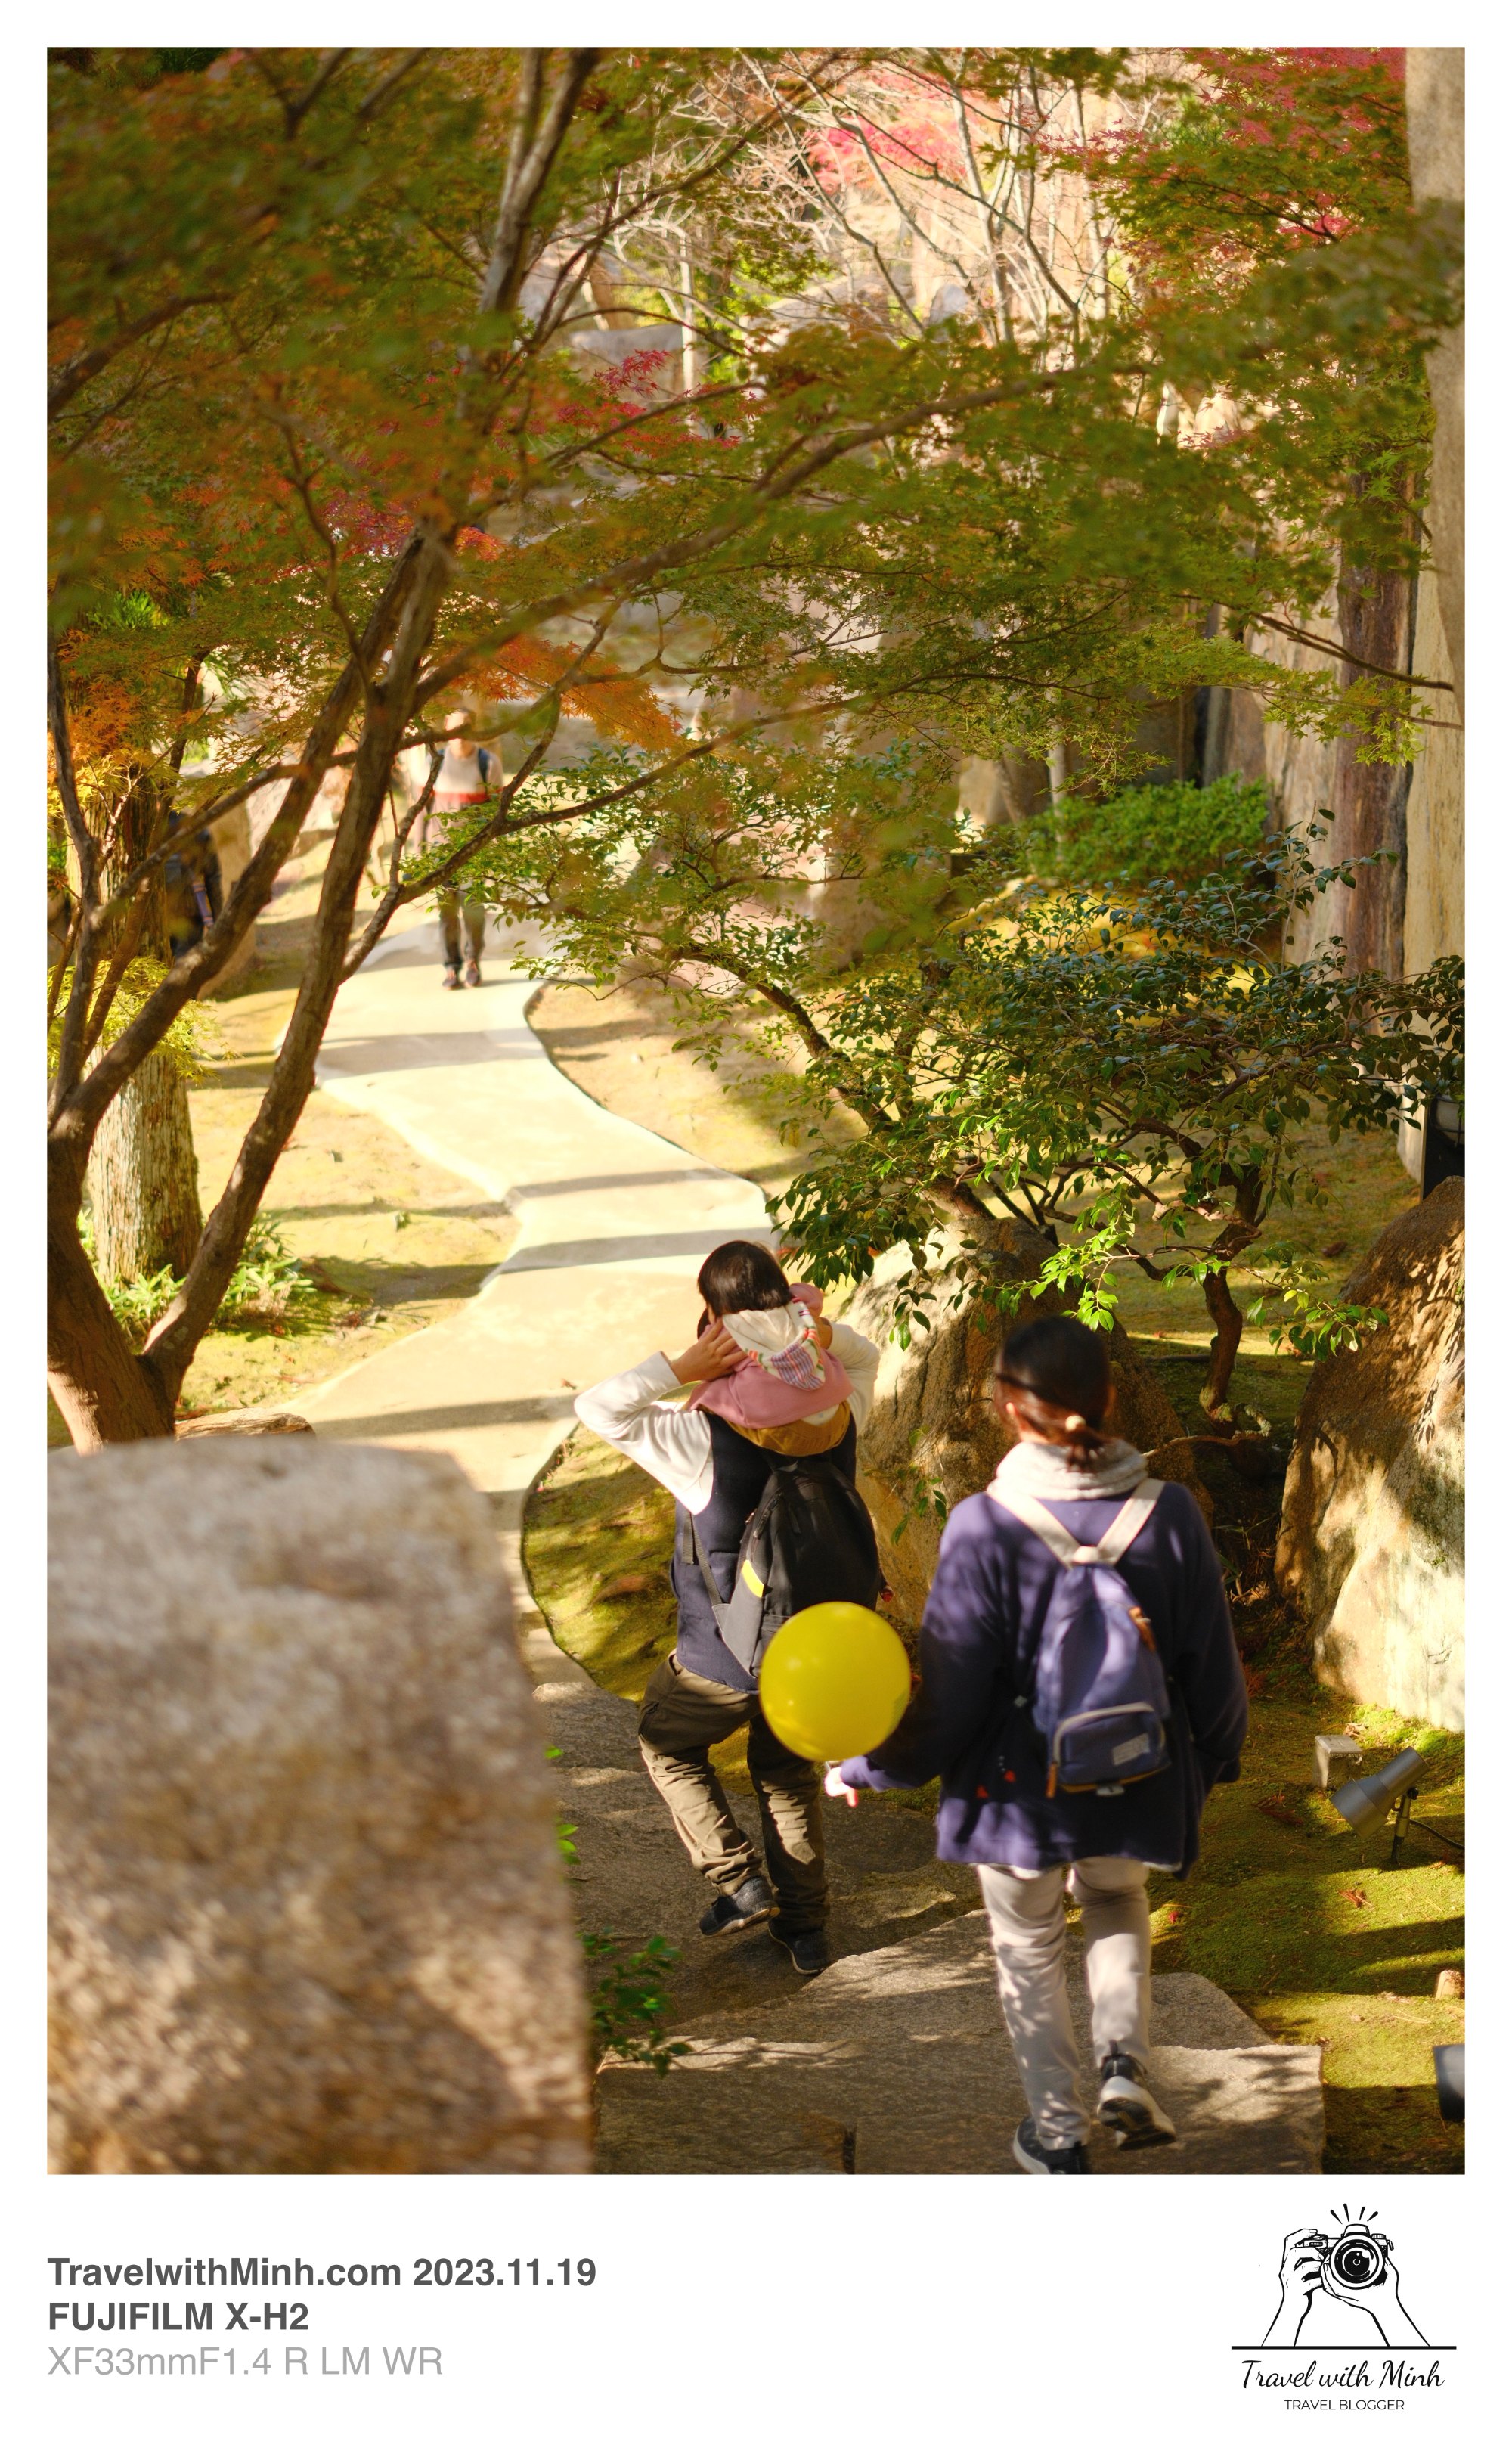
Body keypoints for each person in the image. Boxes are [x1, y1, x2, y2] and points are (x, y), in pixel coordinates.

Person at [830, 1314, 1247, 2173]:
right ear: (1106, 1399)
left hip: (1017, 1794)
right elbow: (1212, 1668)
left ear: (1006, 1412)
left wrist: (872, 1768)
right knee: (1115, 1902)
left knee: (1027, 1951)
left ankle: (1057, 2137)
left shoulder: (983, 1526)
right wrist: (1212, 1762)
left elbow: (949, 1698)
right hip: (1139, 1774)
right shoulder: (1167, 1513)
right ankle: (1124, 2064)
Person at [574, 1239, 881, 1977]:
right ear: (789, 1309)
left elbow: (597, 1407)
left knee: (666, 1743)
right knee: (785, 1774)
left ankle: (740, 1882)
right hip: (817, 1651)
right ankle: (806, 1931)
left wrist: (681, 1368)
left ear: (714, 1323)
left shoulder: (696, 1435)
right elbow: (866, 1356)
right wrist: (815, 1333)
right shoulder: (837, 1403)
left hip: (721, 1659)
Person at [417, 710, 501, 988]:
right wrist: (419, 853)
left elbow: (498, 814)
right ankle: (451, 967)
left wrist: (496, 858)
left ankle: (473, 960)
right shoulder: (435, 762)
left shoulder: (488, 763)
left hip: (475, 852)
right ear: (445, 729)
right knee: (447, 912)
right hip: (442, 852)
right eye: (453, 729)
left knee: (474, 910)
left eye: (464, 727)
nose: (459, 735)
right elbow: (421, 810)